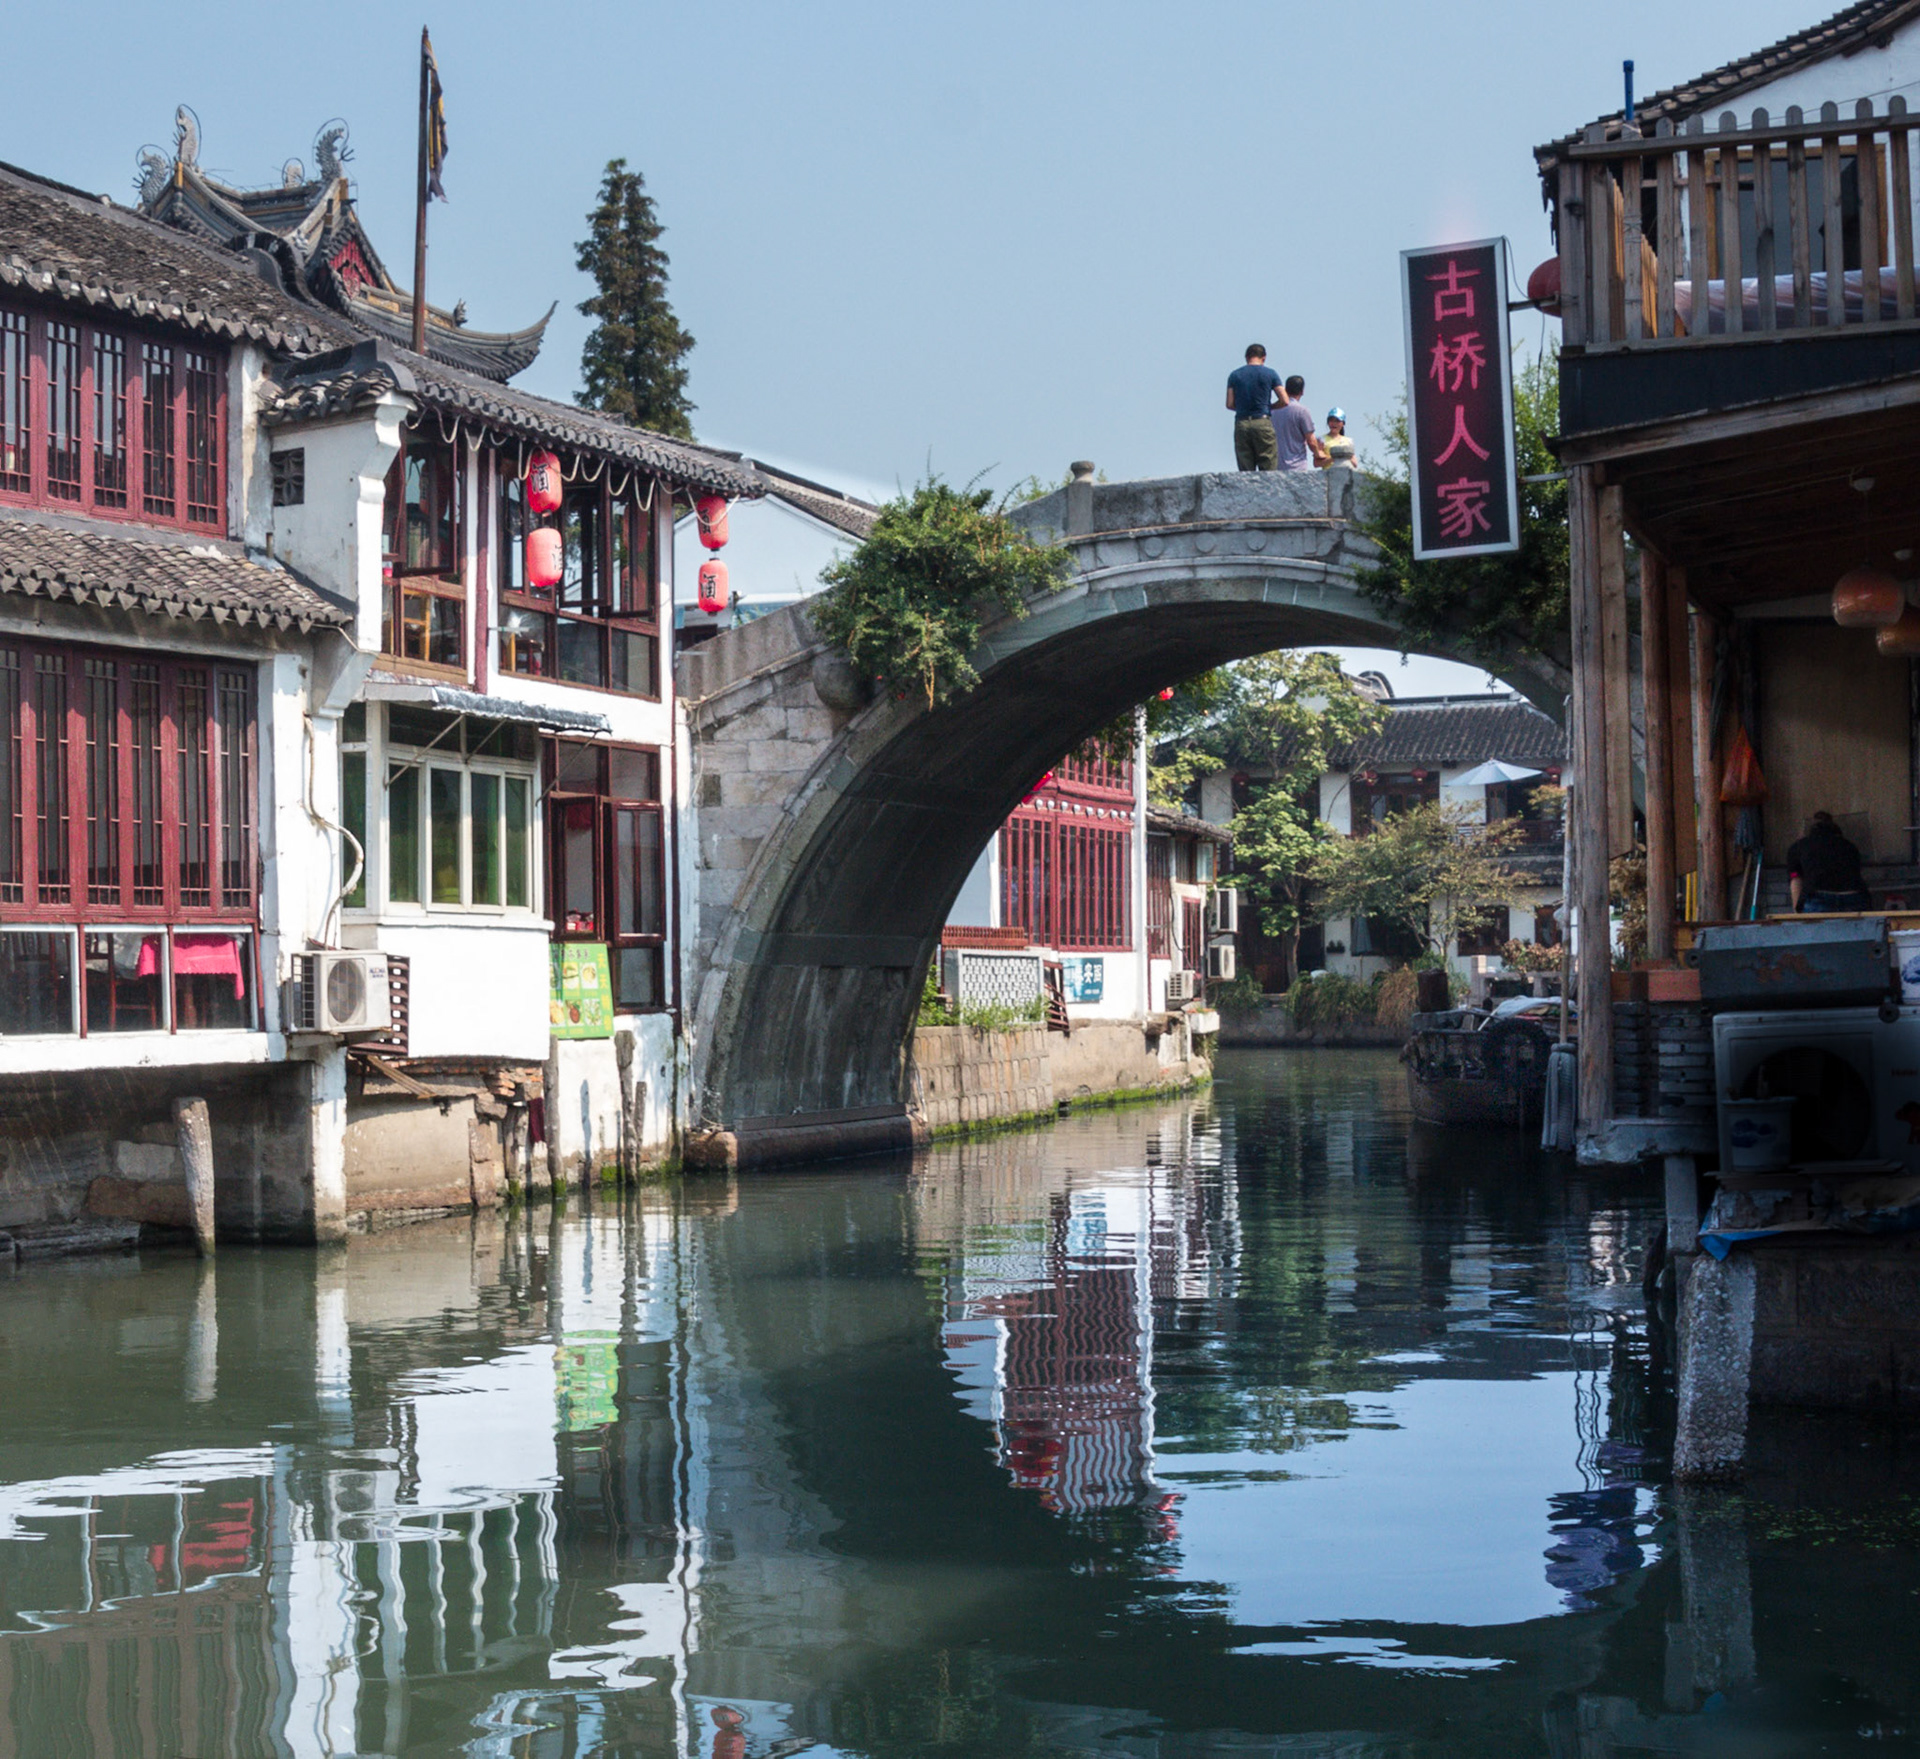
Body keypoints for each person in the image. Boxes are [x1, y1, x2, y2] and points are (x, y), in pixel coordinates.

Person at [1788, 811, 1872, 912]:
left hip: (1818, 896)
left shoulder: (1799, 847)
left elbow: (1795, 879)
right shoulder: (1849, 846)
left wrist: (1797, 913)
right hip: (1854, 895)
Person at [1225, 345, 1285, 471]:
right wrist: (1271, 406)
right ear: (1264, 358)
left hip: (1242, 423)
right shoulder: (1270, 373)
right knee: (1268, 467)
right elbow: (1284, 400)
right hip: (1262, 421)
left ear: (1247, 357)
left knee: (1246, 470)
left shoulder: (1234, 375)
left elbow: (1229, 404)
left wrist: (1242, 408)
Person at [1270, 375, 1329, 473]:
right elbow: (1311, 441)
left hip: (1276, 465)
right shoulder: (1302, 411)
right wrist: (1318, 453)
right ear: (1302, 392)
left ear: (1285, 390)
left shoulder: (1273, 411)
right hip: (1297, 466)